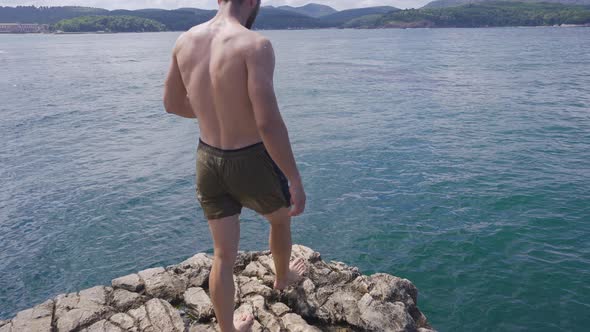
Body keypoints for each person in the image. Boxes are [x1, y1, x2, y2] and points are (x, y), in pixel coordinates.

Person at [163, 1, 307, 331]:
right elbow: (267, 122)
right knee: (281, 219)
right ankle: (283, 277)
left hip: (207, 159)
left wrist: (213, 110)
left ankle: (228, 329)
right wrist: (294, 179)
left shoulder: (185, 40)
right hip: (250, 160)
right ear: (253, 1)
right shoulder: (255, 45)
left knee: (223, 256)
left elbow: (172, 104)